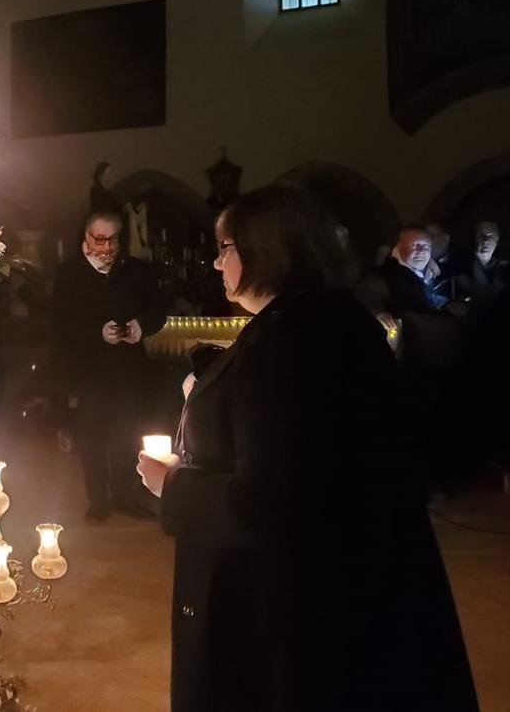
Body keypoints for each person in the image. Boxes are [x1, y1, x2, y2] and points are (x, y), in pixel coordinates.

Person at [136, 185, 477, 712]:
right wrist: (212, 379)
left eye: (226, 247)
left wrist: (174, 484)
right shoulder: (320, 322)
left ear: (267, 249)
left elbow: (269, 503)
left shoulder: (293, 342)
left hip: (297, 621)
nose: (215, 260)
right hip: (339, 599)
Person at [52, 209, 166, 522]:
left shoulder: (137, 271)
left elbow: (158, 311)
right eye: (98, 238)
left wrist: (138, 328)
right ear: (86, 237)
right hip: (88, 371)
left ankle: (124, 495)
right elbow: (60, 324)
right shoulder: (69, 273)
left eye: (111, 239)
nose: (104, 246)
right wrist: (96, 333)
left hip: (129, 369)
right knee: (92, 435)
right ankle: (98, 501)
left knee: (127, 433)